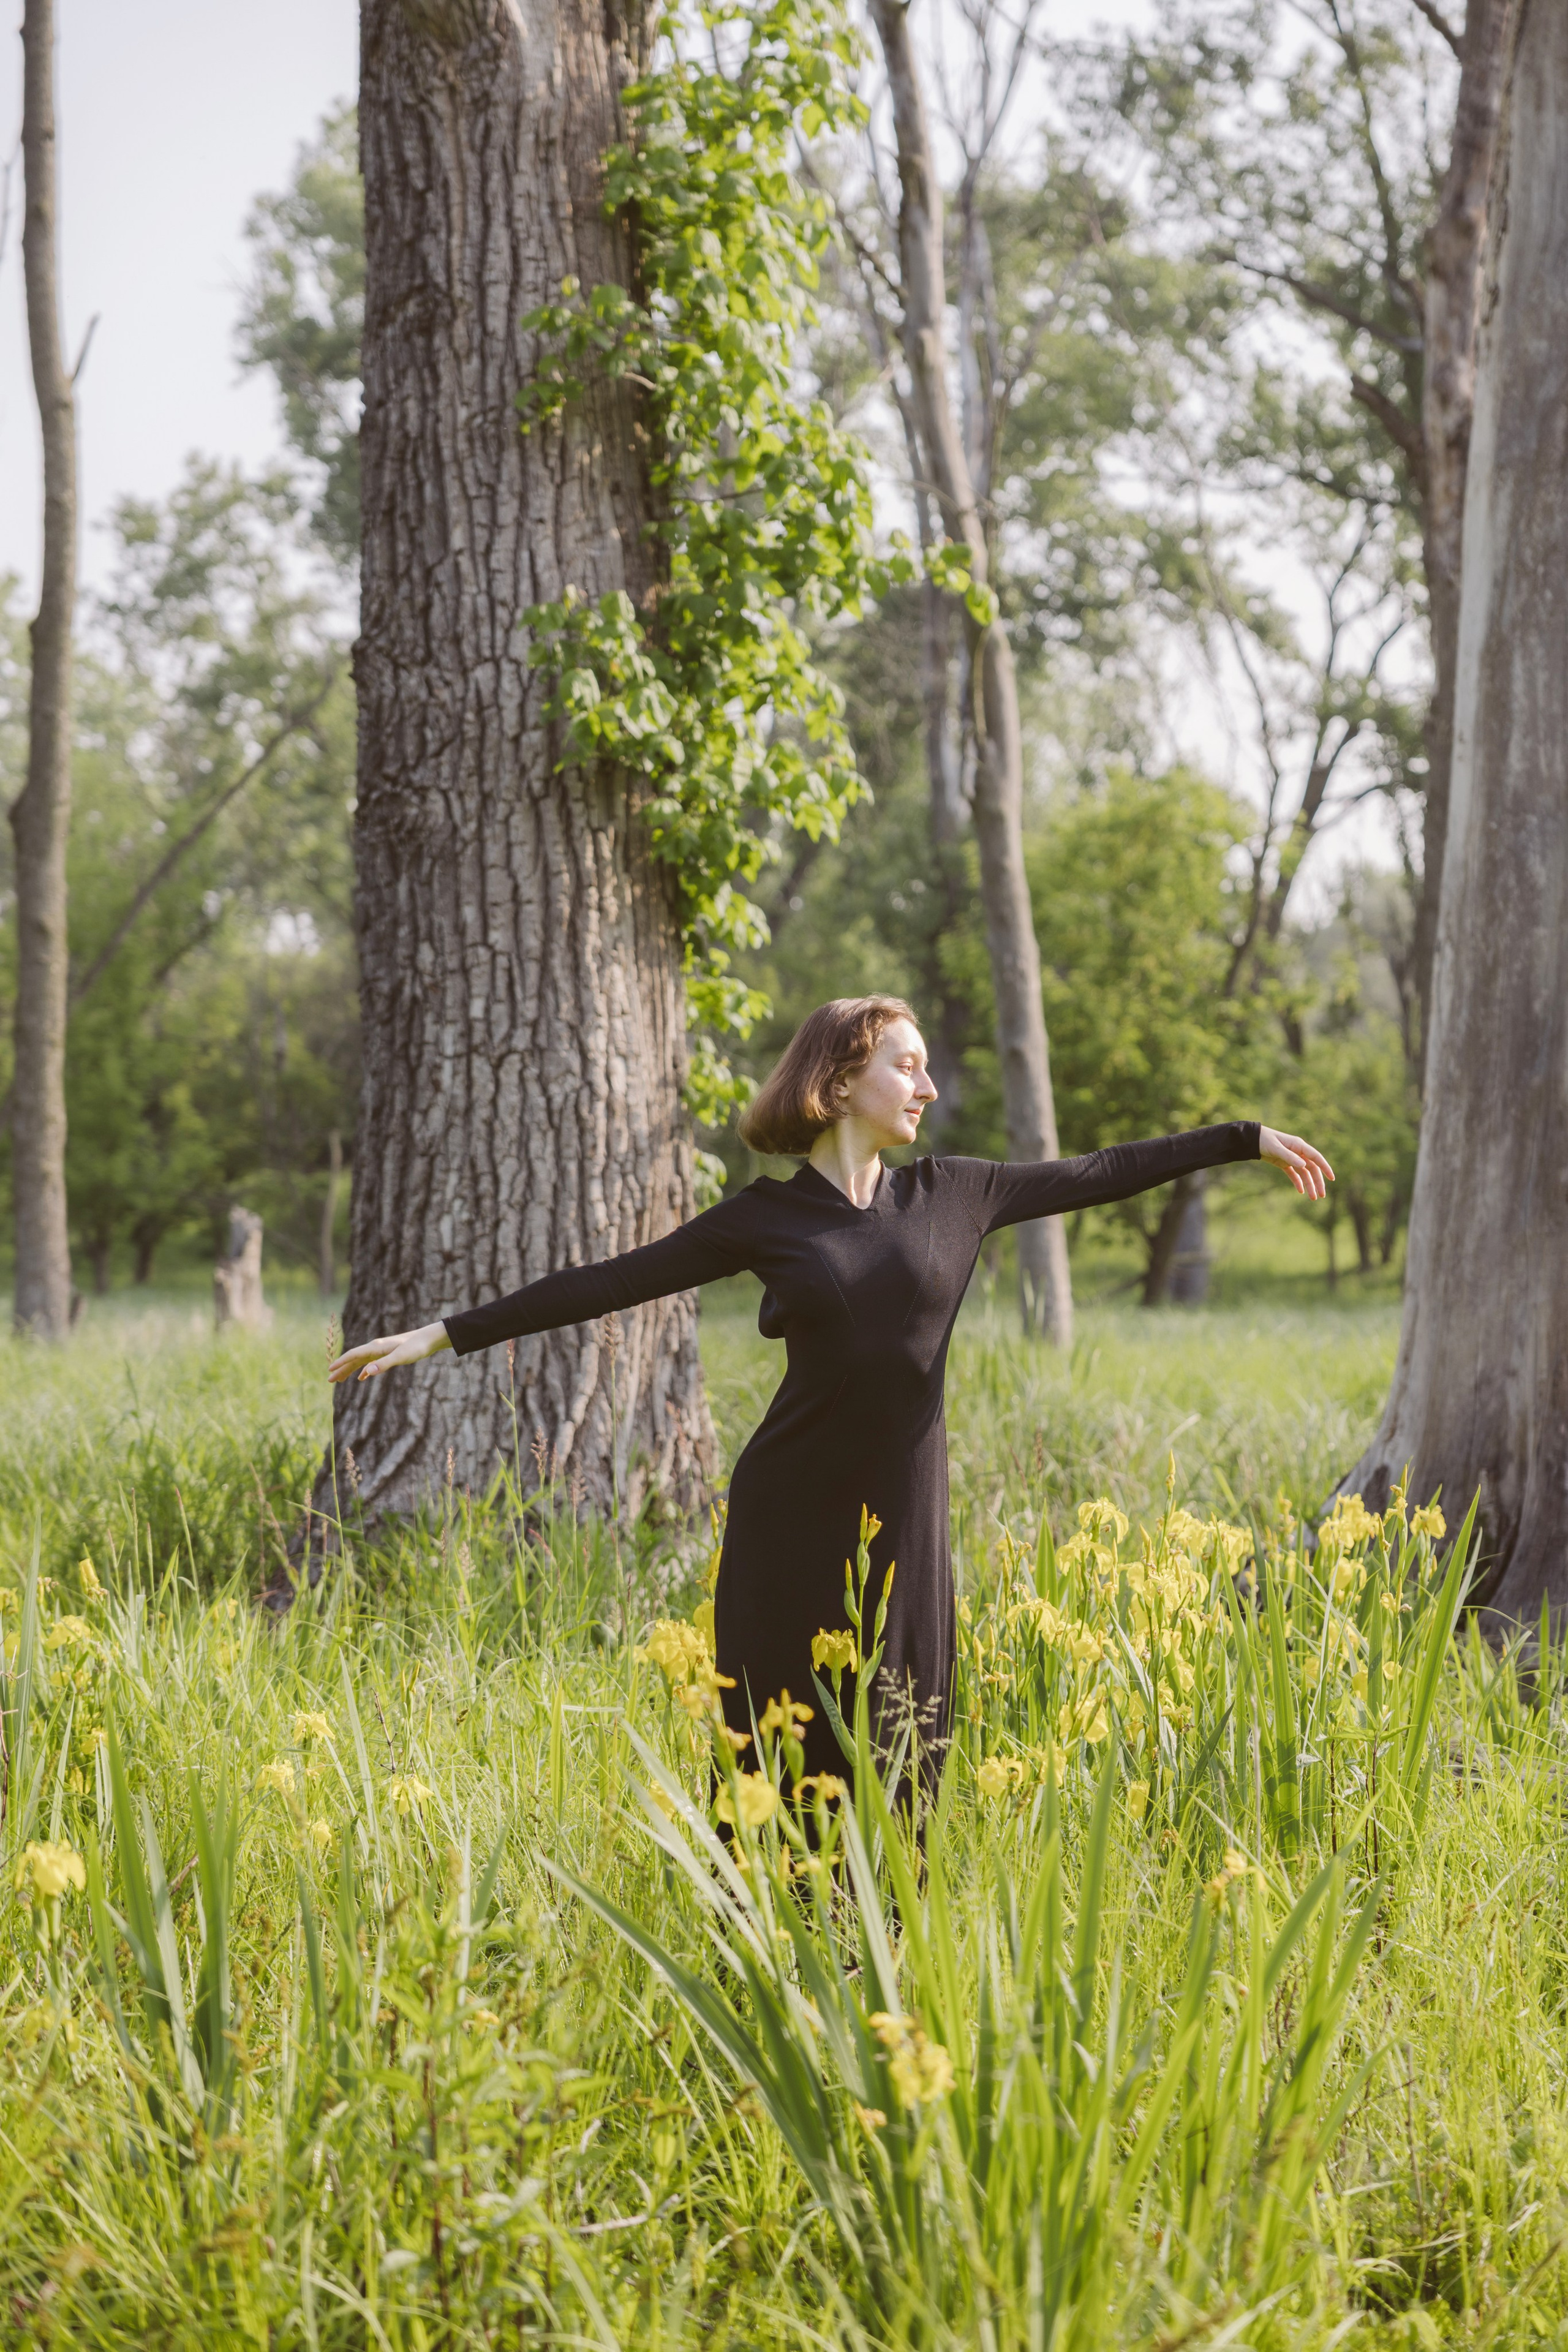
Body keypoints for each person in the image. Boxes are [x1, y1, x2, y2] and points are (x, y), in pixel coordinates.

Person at [329, 995, 1333, 1786]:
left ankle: (883, 1956)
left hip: (907, 1512)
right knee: (783, 1743)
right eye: (909, 1064)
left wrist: (1243, 1137)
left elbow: (1104, 1169)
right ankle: (772, 1949)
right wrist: (443, 1334)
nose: (927, 1087)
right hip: (791, 1515)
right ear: (845, 1075)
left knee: (908, 1740)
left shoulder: (956, 1193)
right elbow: (611, 1280)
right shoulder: (766, 1220)